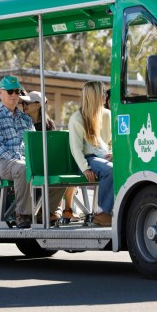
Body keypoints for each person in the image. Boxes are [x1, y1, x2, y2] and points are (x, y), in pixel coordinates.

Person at [0, 76, 65, 229]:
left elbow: (33, 144)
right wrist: (21, 159)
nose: (14, 95)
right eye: (10, 91)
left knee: (57, 168)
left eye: (17, 92)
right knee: (23, 168)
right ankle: (23, 215)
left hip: (21, 162)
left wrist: (33, 159)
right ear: (0, 93)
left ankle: (43, 211)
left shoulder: (25, 119)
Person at [20, 91, 79, 222]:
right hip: (29, 164)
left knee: (67, 170)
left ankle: (62, 209)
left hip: (47, 163)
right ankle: (52, 210)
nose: (24, 105)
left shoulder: (49, 124)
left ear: (39, 105)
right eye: (23, 103)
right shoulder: (22, 123)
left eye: (28, 102)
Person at [68, 81, 113, 227]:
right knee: (110, 170)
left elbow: (114, 141)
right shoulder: (77, 118)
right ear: (94, 96)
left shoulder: (107, 114)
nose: (106, 95)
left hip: (104, 156)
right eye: (103, 93)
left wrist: (115, 153)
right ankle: (102, 214)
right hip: (88, 159)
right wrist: (85, 168)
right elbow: (76, 149)